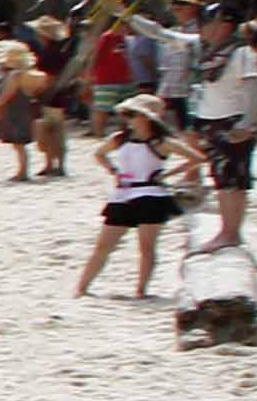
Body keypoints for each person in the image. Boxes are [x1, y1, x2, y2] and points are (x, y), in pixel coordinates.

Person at [78, 99, 187, 296]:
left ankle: (141, 290)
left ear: (146, 117)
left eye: (132, 114)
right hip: (123, 194)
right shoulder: (119, 138)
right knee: (103, 246)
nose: (128, 119)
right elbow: (99, 154)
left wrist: (167, 176)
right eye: (127, 114)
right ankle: (82, 288)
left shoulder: (162, 142)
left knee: (146, 247)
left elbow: (196, 158)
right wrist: (113, 170)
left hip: (151, 195)